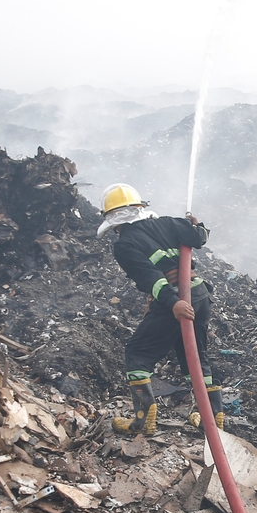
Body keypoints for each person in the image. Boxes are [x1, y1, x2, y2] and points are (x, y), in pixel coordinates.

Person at [97, 182, 224, 435]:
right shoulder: (167, 223)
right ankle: (213, 417)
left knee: (137, 353)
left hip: (174, 301)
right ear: (140, 207)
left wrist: (174, 303)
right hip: (199, 294)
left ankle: (143, 420)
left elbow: (150, 277)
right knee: (194, 355)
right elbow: (199, 237)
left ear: (113, 220)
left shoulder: (124, 244)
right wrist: (196, 224)